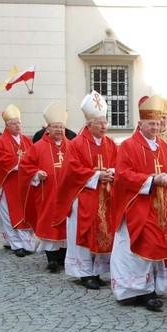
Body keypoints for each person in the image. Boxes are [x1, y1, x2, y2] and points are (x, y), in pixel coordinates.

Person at [110, 95, 167, 311]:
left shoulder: (165, 146)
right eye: (151, 124)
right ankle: (136, 291)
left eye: (158, 124)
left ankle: (150, 288)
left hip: (162, 207)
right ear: (140, 124)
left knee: (155, 246)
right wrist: (152, 180)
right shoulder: (128, 146)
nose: (156, 127)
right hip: (137, 207)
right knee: (135, 249)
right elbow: (123, 175)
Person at [54, 90, 117, 290]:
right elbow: (73, 169)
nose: (104, 126)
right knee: (82, 232)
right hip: (83, 196)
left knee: (104, 231)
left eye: (105, 122)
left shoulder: (110, 144)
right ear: (89, 124)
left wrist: (112, 172)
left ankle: (98, 271)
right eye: (99, 123)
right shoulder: (77, 144)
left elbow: (119, 162)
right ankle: (84, 272)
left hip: (105, 196)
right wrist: (98, 175)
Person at [19, 102, 69, 272]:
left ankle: (63, 257)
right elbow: (26, 166)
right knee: (49, 224)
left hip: (68, 194)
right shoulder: (38, 146)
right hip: (47, 193)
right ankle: (52, 259)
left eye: (61, 127)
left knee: (66, 225)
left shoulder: (71, 146)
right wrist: (36, 173)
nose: (59, 130)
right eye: (55, 127)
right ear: (48, 128)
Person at [0, 104, 36, 257]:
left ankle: (27, 243)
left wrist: (28, 163)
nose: (17, 125)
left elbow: (34, 157)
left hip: (25, 184)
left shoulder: (27, 141)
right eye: (14, 123)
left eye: (19, 122)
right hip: (8, 182)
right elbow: (0, 160)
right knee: (9, 214)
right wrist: (20, 161)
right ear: (7, 125)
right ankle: (16, 244)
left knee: (25, 213)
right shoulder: (0, 141)